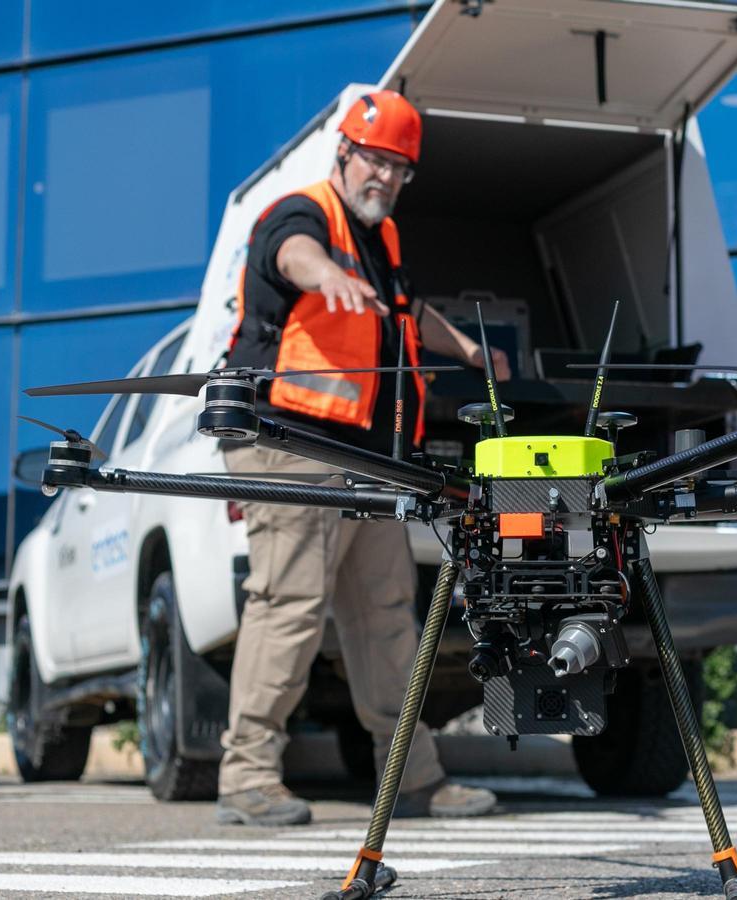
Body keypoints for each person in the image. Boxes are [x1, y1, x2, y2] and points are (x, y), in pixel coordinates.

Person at [217, 90, 509, 826]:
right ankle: (247, 777)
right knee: (288, 606)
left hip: (372, 461)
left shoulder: (384, 243)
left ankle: (412, 778)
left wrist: (470, 350)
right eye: (374, 159)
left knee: (386, 617)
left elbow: (410, 312)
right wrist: (327, 276)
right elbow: (293, 256)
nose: (384, 176)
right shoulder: (304, 212)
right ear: (345, 153)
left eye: (398, 167)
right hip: (294, 445)